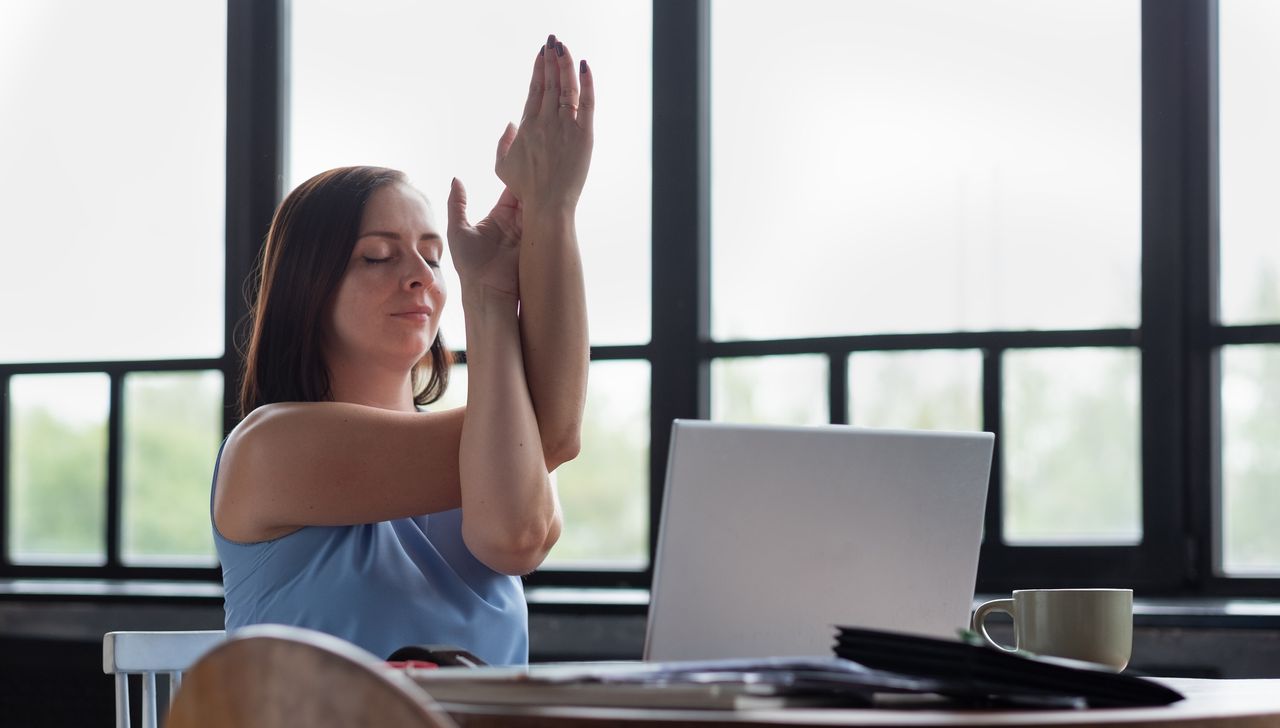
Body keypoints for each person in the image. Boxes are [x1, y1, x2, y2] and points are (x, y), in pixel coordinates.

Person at [209, 34, 593, 666]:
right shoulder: (270, 446)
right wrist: (549, 212)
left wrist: (506, 279)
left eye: (435, 258)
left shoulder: (492, 447)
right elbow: (552, 433)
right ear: (309, 287)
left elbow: (514, 538)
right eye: (377, 257)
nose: (420, 276)